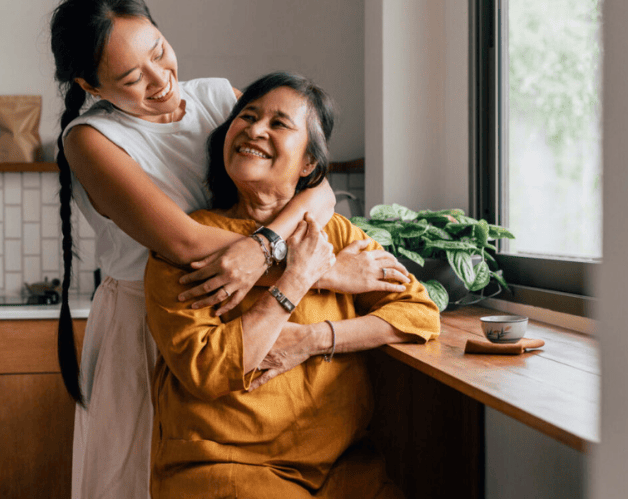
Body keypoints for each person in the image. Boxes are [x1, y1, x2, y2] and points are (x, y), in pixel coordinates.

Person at [48, 1, 412, 497]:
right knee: (135, 477)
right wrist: (320, 272)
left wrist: (265, 247)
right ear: (91, 87)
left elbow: (319, 188)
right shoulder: (91, 139)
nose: (161, 80)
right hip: (153, 323)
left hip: (243, 312)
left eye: (160, 51)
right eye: (133, 78)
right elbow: (184, 242)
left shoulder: (219, 98)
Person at [144, 72, 441, 498]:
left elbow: (419, 313)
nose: (254, 128)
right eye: (246, 116)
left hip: (344, 469)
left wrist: (315, 339)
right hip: (225, 466)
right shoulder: (188, 241)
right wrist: (298, 278)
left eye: (279, 123)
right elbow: (206, 369)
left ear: (309, 164)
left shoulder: (335, 232)